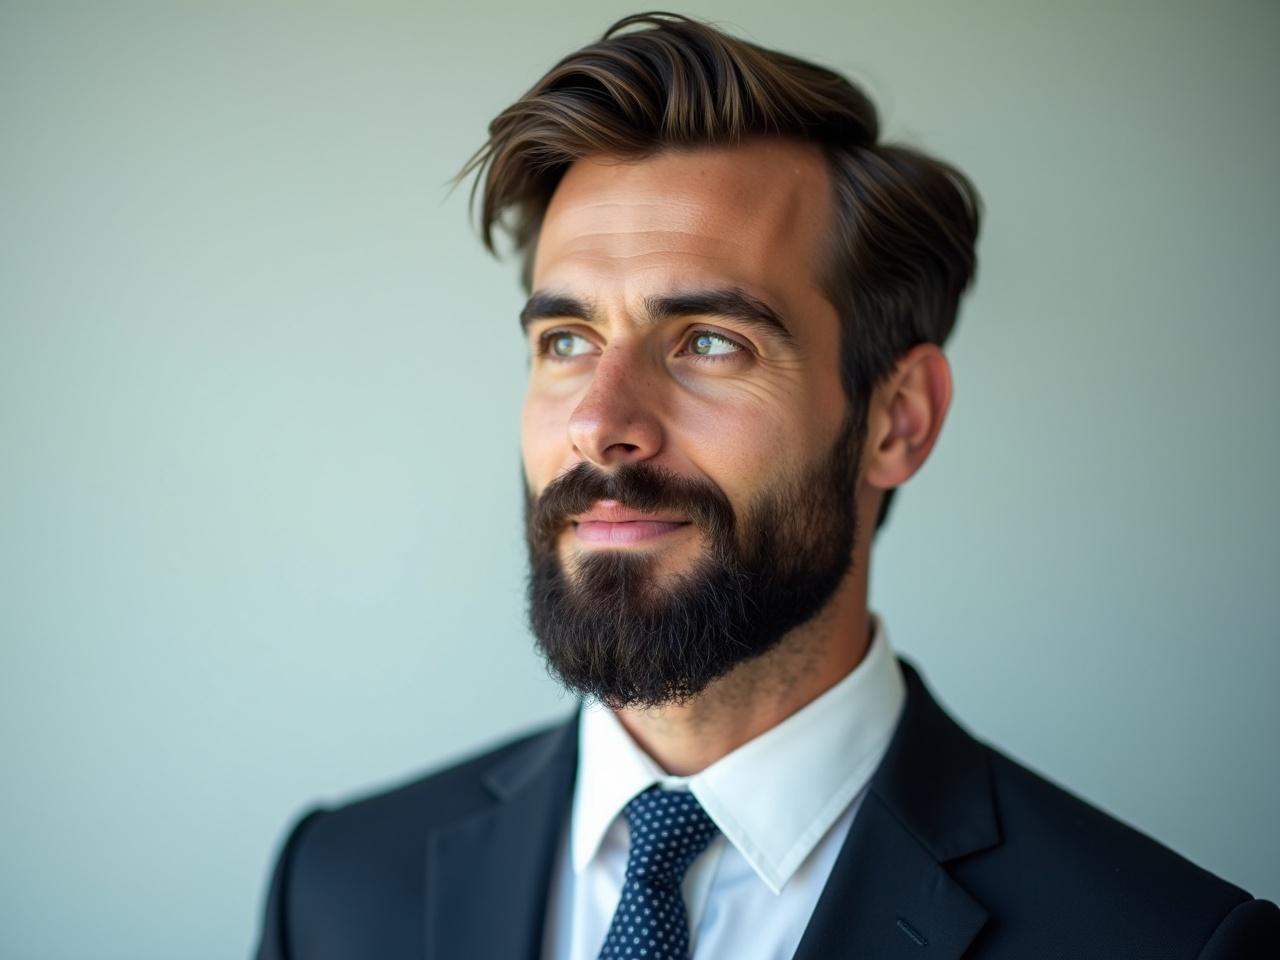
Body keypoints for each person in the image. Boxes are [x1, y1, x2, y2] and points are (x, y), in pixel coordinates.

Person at [253, 12, 1278, 959]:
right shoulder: (336, 888)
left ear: (896, 418)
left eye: (707, 342)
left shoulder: (1166, 943)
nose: (602, 423)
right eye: (566, 340)